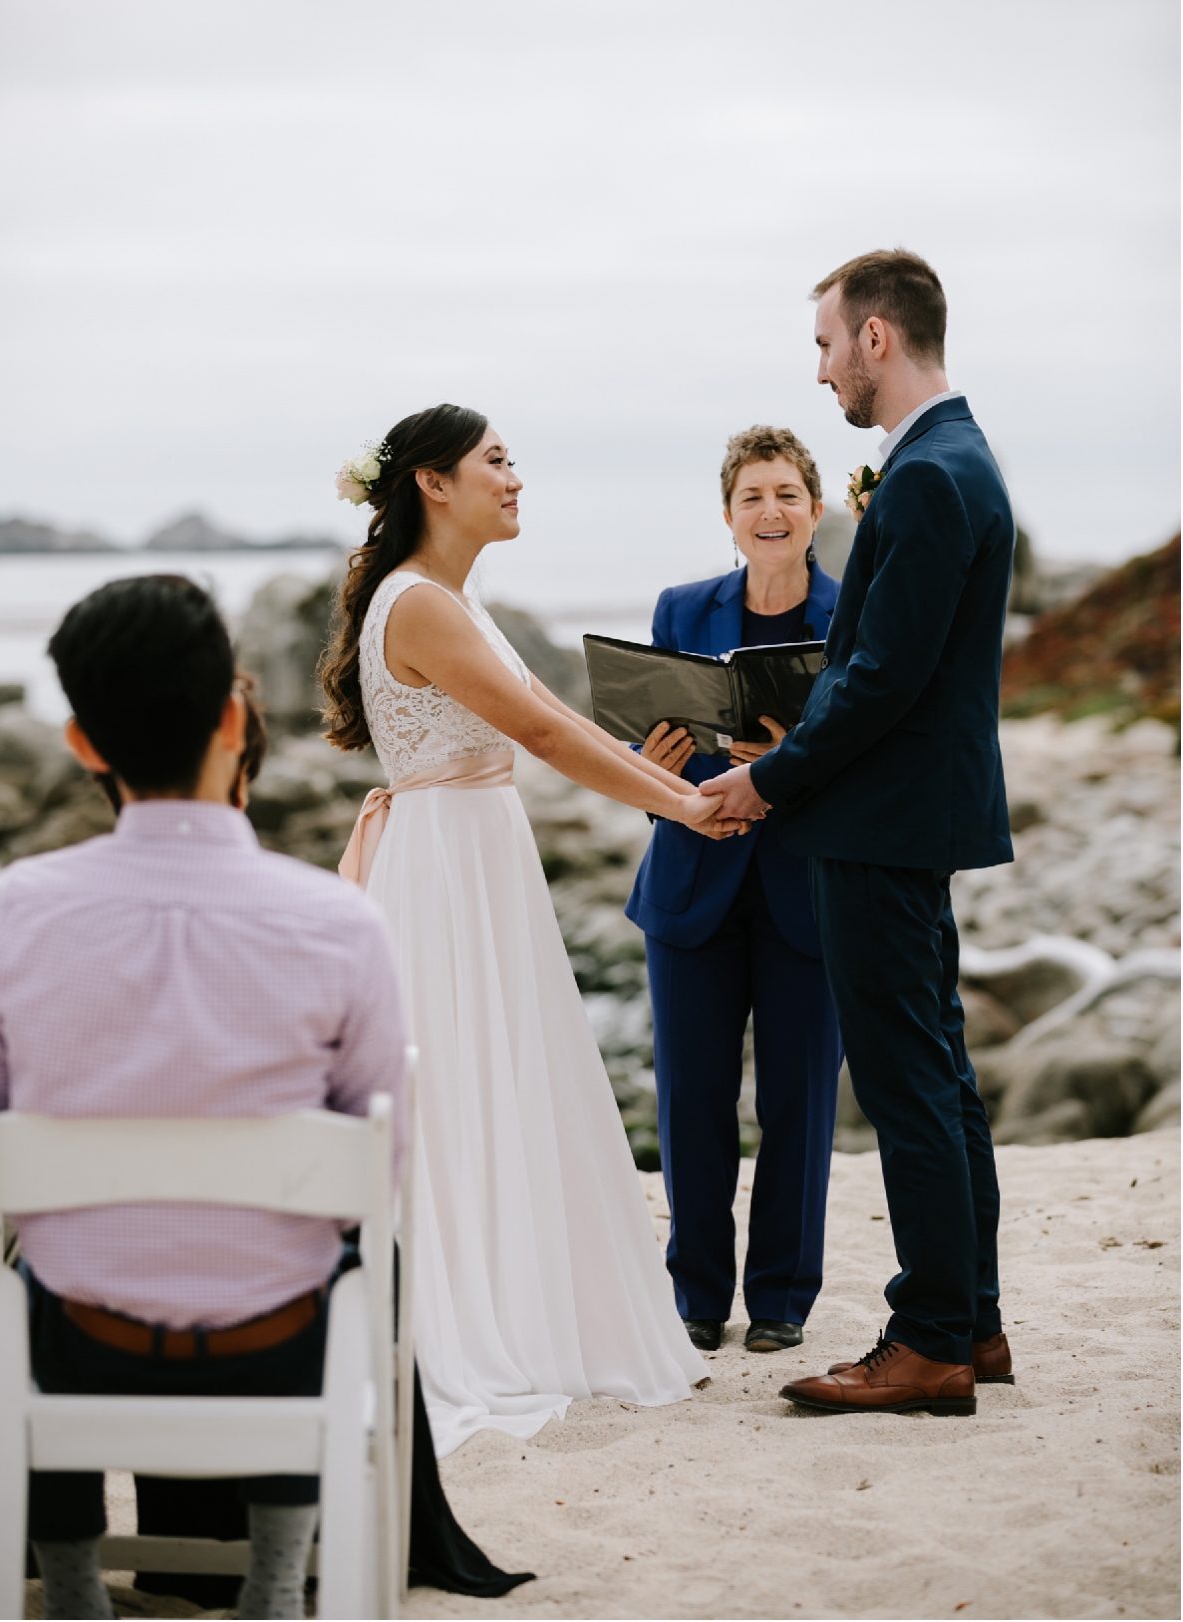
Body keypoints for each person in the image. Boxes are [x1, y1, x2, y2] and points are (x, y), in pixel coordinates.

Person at [0, 574, 516, 1622]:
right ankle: (278, 1567)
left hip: (78, 1344)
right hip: (278, 1346)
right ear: (234, 718)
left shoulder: (14, 913)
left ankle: (76, 1574)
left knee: (21, 1279)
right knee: (358, 1269)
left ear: (84, 745)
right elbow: (382, 1176)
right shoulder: (338, 924)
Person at [322, 404, 737, 1456]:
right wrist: (687, 808)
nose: (516, 478)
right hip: (445, 861)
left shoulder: (451, 598)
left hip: (474, 847)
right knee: (462, 1075)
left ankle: (522, 1297)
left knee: (498, 1068)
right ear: (432, 482)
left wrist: (680, 783)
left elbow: (561, 712)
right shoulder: (418, 605)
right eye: (496, 461)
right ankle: (476, 1317)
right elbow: (543, 732)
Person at [701, 250, 1016, 1417]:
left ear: (877, 338)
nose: (825, 369)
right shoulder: (949, 459)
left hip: (882, 822)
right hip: (908, 815)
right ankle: (970, 1319)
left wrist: (771, 777)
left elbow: (880, 676)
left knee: (905, 1079)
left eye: (829, 344)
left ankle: (930, 1335)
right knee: (938, 1070)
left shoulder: (932, 475)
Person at [625, 426, 842, 1355]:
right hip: (692, 887)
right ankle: (697, 1297)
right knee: (693, 1097)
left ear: (815, 511)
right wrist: (656, 767)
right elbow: (644, 743)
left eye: (787, 494)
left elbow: (875, 758)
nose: (771, 511)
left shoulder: (857, 615)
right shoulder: (682, 609)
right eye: (752, 496)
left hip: (809, 887)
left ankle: (784, 1298)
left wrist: (791, 765)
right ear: (728, 515)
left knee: (799, 1101)